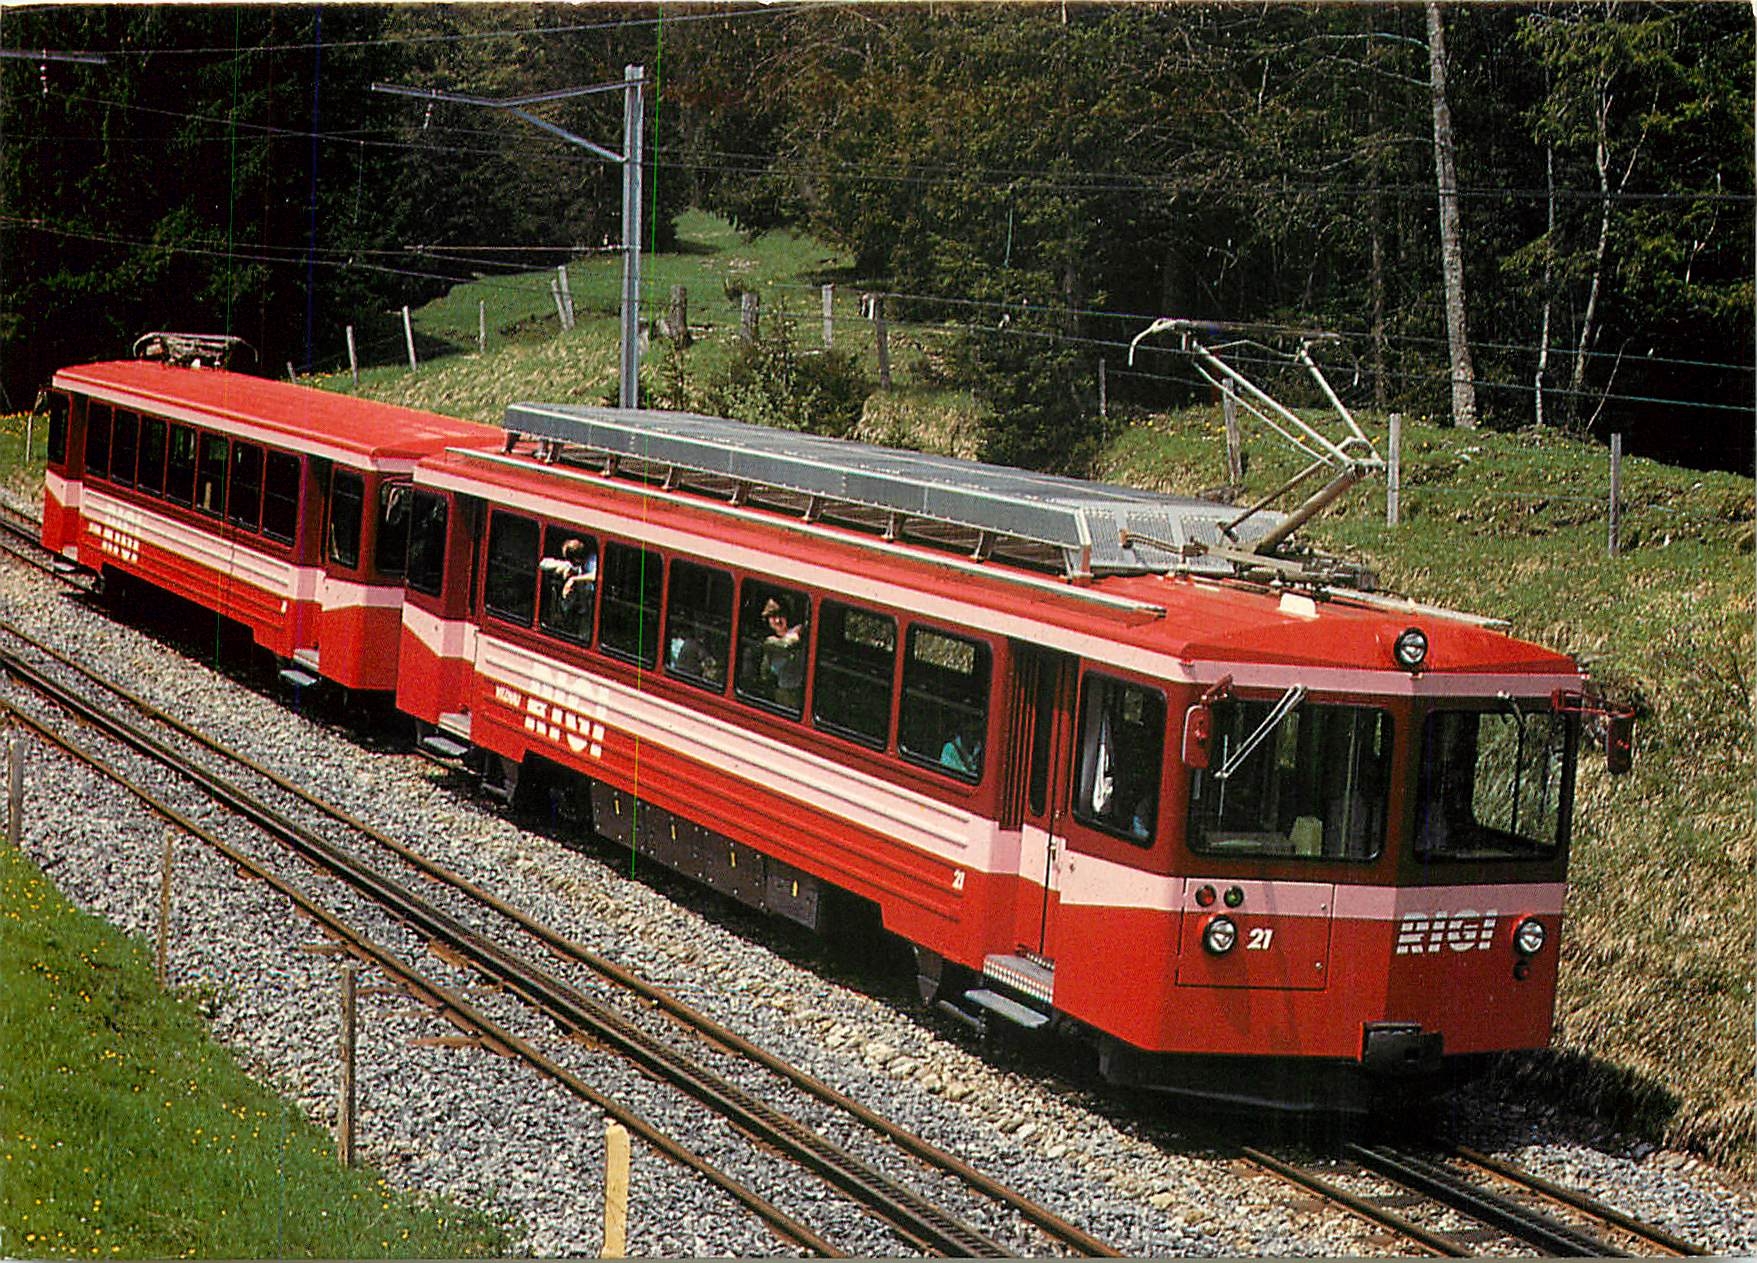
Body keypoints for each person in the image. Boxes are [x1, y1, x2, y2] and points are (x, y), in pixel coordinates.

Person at [539, 537, 596, 634]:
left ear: (577, 559)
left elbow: (595, 576)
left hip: (591, 603)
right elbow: (542, 564)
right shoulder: (575, 564)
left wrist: (573, 579)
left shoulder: (592, 560)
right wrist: (564, 567)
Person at [759, 597, 805, 709]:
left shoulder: (796, 631)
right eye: (773, 617)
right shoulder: (769, 644)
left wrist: (769, 643)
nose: (778, 620)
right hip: (780, 693)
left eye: (781, 615)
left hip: (796, 693)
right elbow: (765, 673)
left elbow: (787, 644)